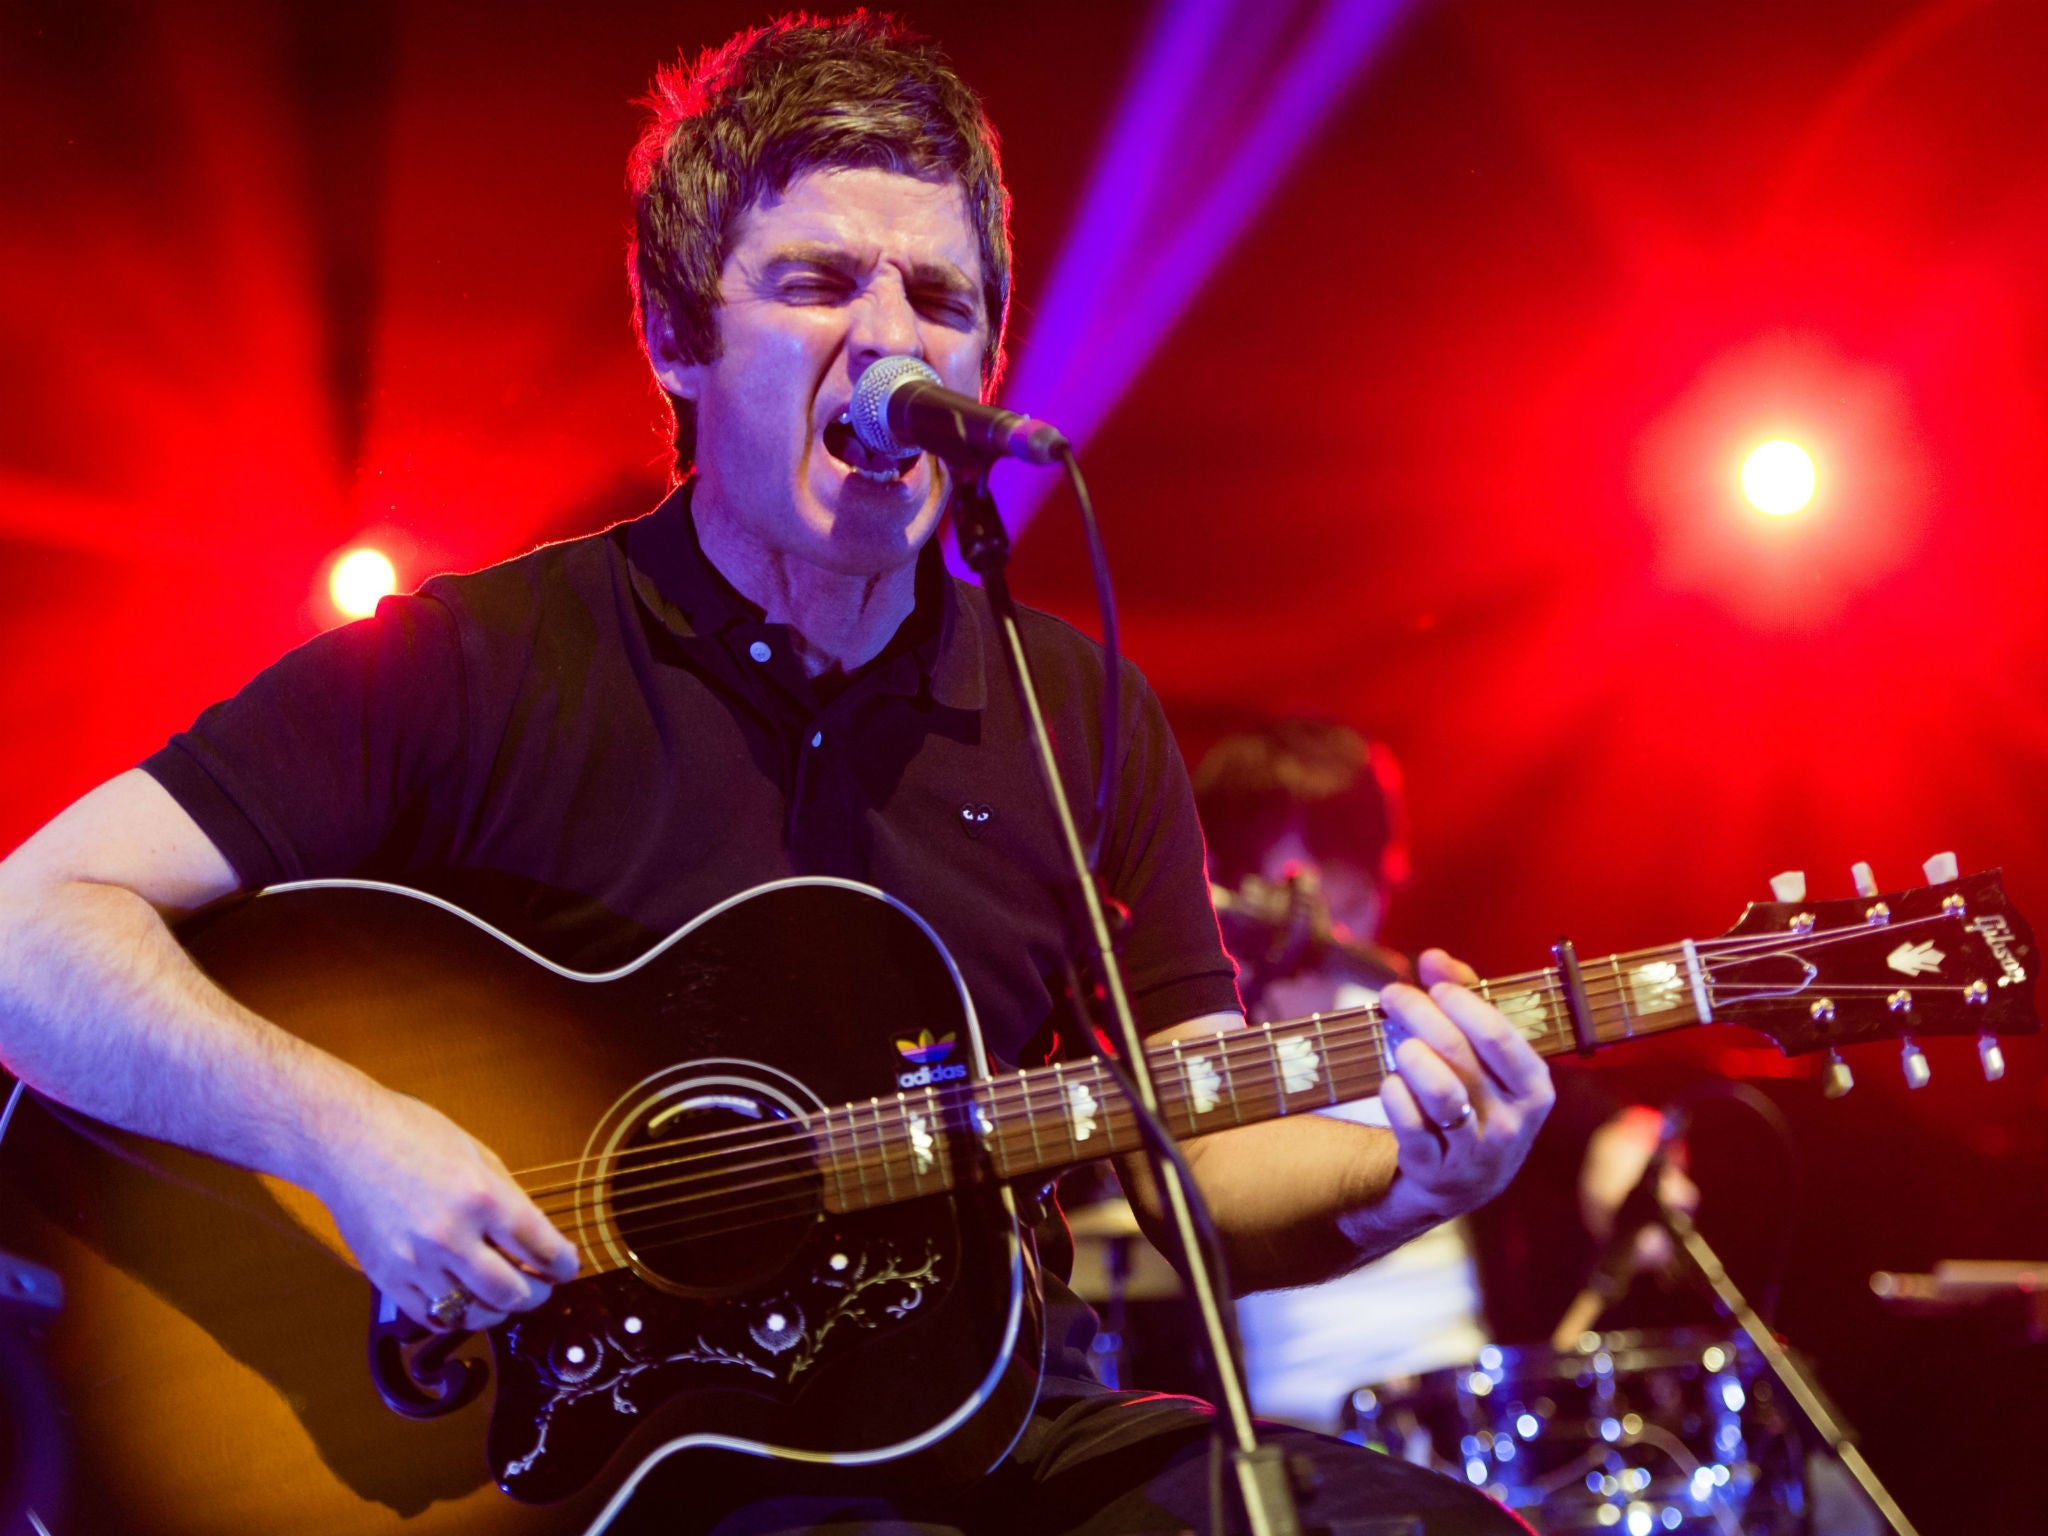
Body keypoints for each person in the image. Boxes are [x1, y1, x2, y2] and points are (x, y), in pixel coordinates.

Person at [0, 16, 1554, 1534]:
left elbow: (1189, 1151)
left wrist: (1415, 1176)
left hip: (984, 1436)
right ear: (678, 341)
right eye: (816, 284)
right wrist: (348, 1141)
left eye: (940, 299)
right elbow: (30, 927)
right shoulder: (479, 661)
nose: (890, 339)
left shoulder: (1074, 711)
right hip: (588, 1467)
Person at [1194, 720, 1696, 1432]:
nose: (1338, 937)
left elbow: (1599, 1123)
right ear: (1222, 887)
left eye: (1355, 902)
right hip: (1260, 1451)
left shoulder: (1420, 1012)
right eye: (1306, 906)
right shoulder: (1183, 1050)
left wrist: (1626, 1156)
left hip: (1461, 1423)